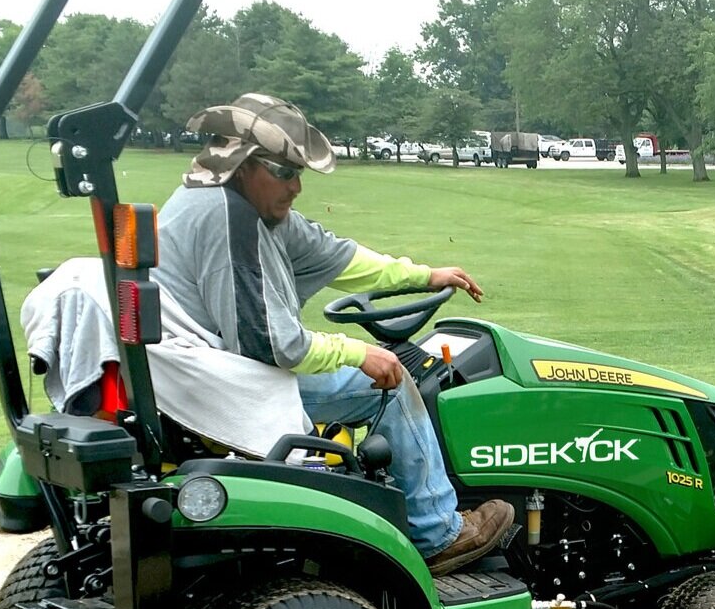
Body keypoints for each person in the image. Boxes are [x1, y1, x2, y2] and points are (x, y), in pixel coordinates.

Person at [153, 93, 513, 577]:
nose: (297, 186)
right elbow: (271, 343)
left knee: (379, 369)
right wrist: (358, 352)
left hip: (201, 370)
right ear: (241, 164)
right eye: (284, 172)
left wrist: (425, 276)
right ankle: (437, 533)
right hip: (220, 381)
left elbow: (337, 256)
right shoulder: (228, 218)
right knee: (394, 380)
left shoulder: (249, 210)